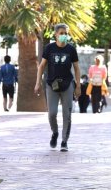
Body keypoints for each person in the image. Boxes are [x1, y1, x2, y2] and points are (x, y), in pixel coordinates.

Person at [34, 23, 81, 152]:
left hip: (67, 84)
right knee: (52, 113)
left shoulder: (71, 49)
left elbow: (76, 68)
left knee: (67, 114)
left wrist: (78, 85)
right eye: (61, 33)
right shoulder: (49, 48)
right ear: (55, 34)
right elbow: (42, 66)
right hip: (51, 84)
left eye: (66, 33)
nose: (64, 36)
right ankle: (55, 133)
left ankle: (64, 141)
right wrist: (38, 83)